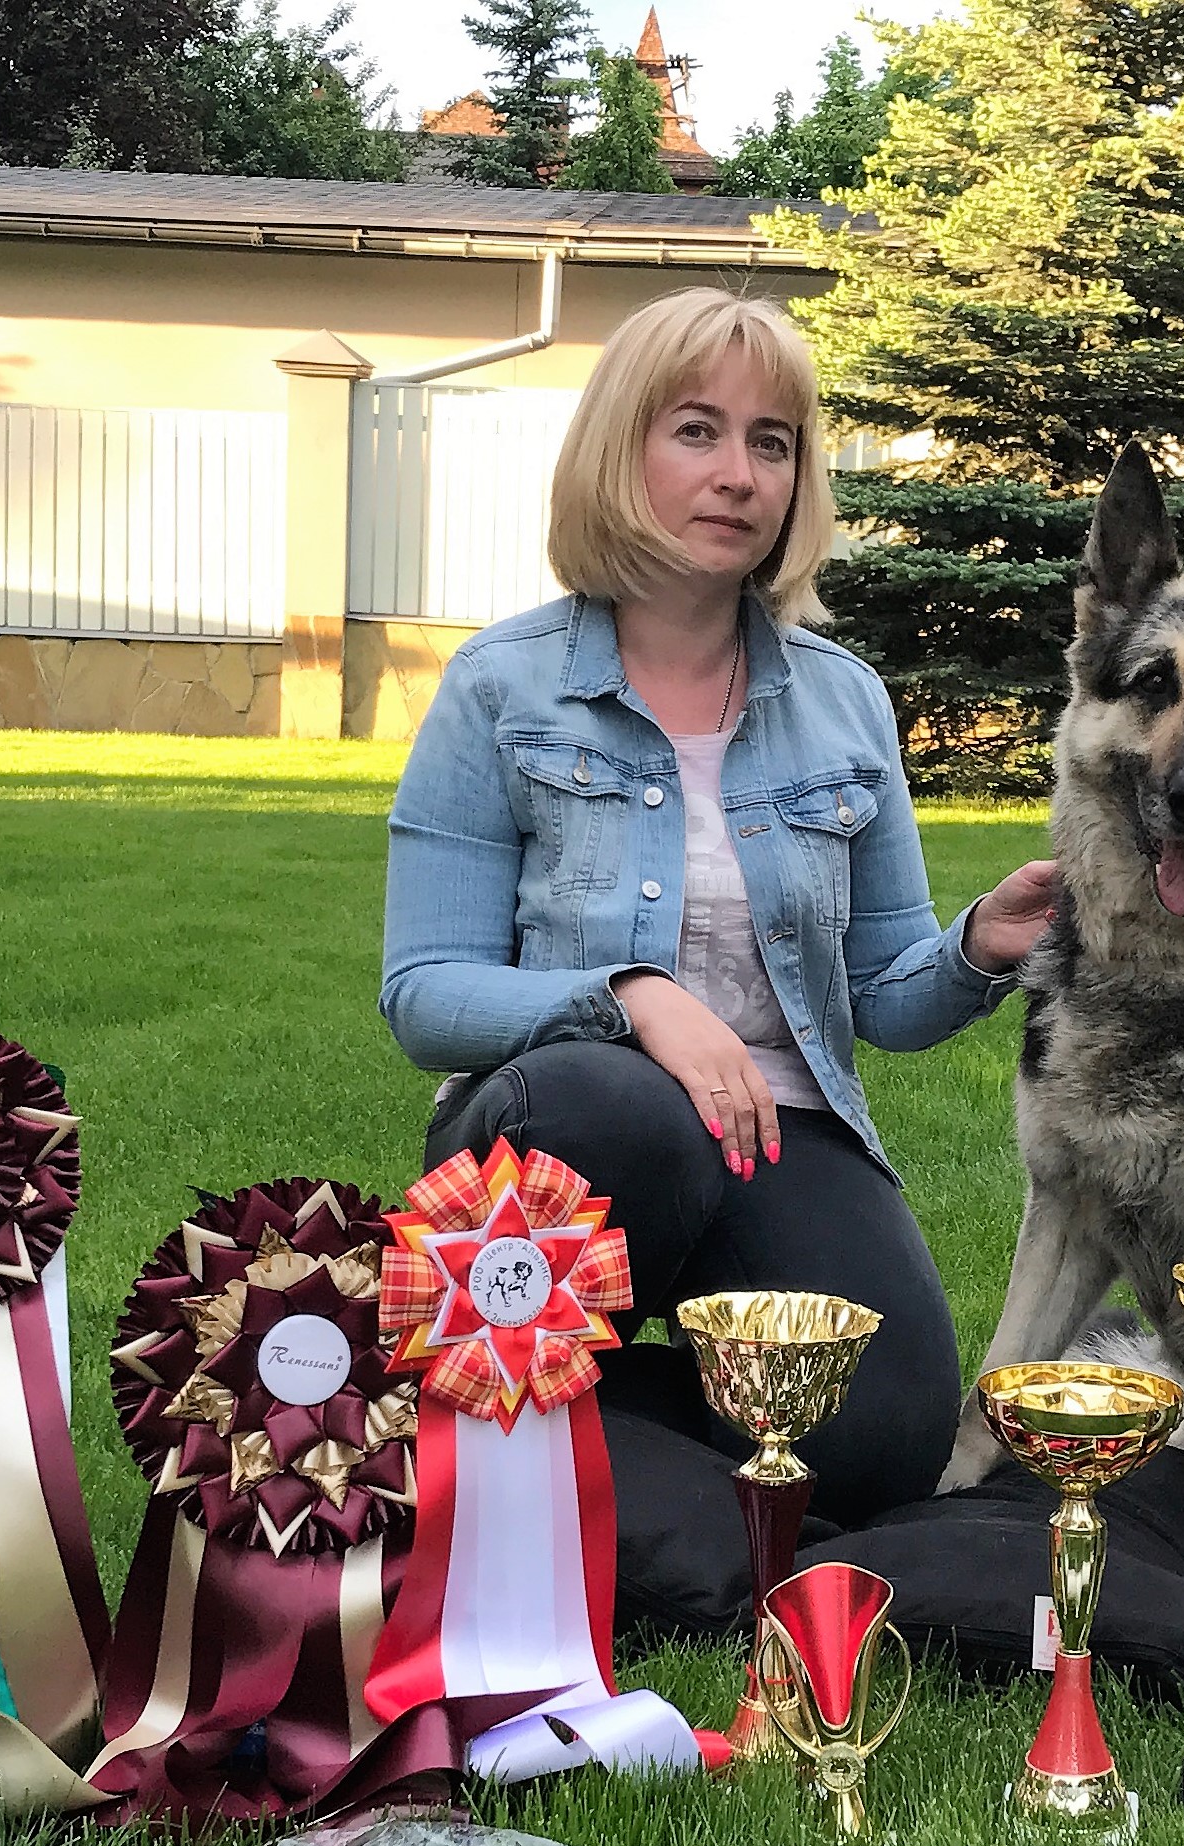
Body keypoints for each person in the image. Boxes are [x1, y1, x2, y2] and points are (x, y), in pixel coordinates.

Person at [381, 287, 1057, 1626]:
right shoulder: (501, 685)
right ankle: (534, 1413)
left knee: (883, 1436)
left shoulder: (843, 699)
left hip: (778, 1130)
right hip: (578, 1122)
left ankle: (512, 1429)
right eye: (697, 430)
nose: (739, 474)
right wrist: (633, 1001)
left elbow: (881, 996)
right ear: (621, 447)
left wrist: (979, 943)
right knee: (615, 1102)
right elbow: (425, 995)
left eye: (772, 441)